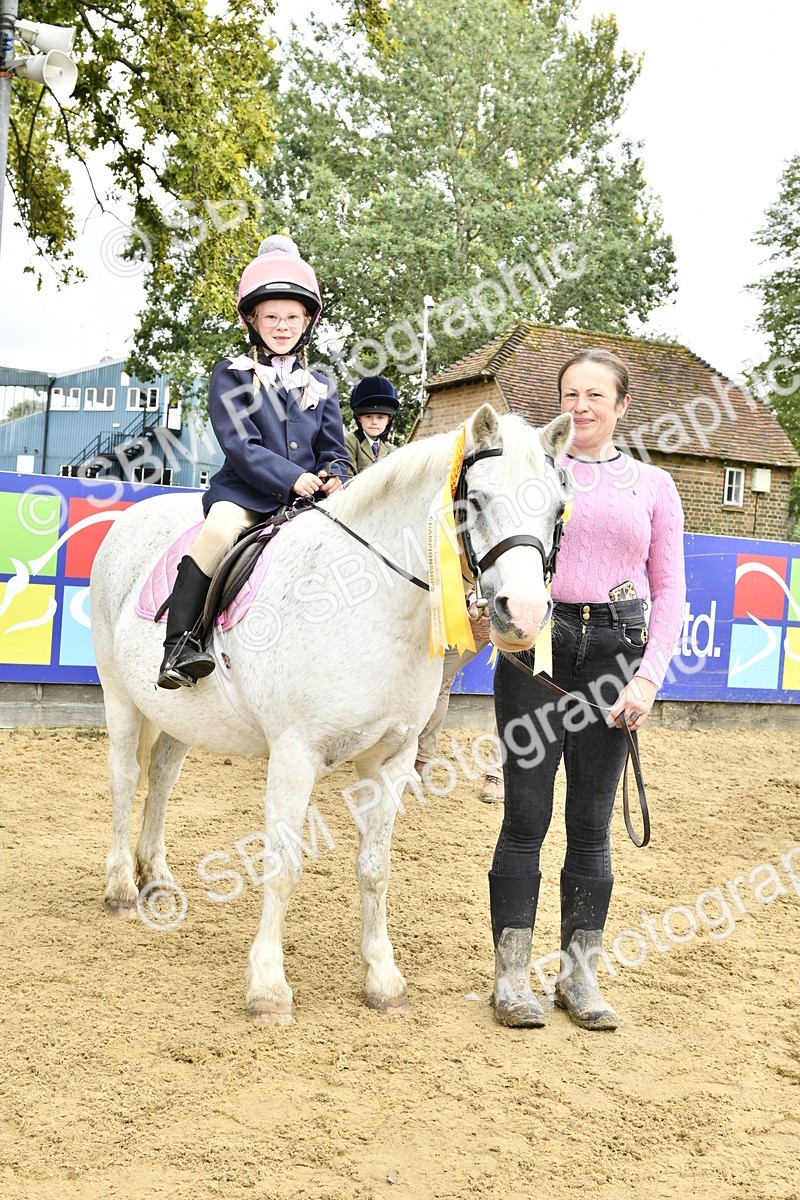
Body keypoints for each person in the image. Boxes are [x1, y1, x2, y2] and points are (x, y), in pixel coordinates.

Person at [488, 348, 686, 1031]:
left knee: (591, 822)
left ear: (622, 405)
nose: (580, 406)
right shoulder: (534, 470)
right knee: (525, 816)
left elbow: (670, 589)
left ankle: (580, 975)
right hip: (537, 652)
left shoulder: (654, 485)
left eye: (596, 395)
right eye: (570, 393)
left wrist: (648, 678)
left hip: (615, 653)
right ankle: (511, 977)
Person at [157, 234, 348, 689]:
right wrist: (293, 477)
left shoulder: (320, 384)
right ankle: (179, 645)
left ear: (307, 321)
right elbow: (240, 445)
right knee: (217, 533)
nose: (282, 327)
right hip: (245, 494)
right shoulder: (232, 374)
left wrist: (335, 475)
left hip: (309, 499)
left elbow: (334, 449)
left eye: (292, 317)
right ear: (252, 319)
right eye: (272, 317)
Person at [414, 603, 504, 804]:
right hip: (471, 605)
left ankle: (497, 773)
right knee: (437, 678)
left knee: (514, 690)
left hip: (525, 611)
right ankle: (420, 759)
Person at [344, 375, 399, 477]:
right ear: (359, 418)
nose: (374, 422)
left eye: (380, 418)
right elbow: (347, 479)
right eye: (368, 417)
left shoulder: (391, 450)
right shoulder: (349, 443)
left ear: (389, 419)